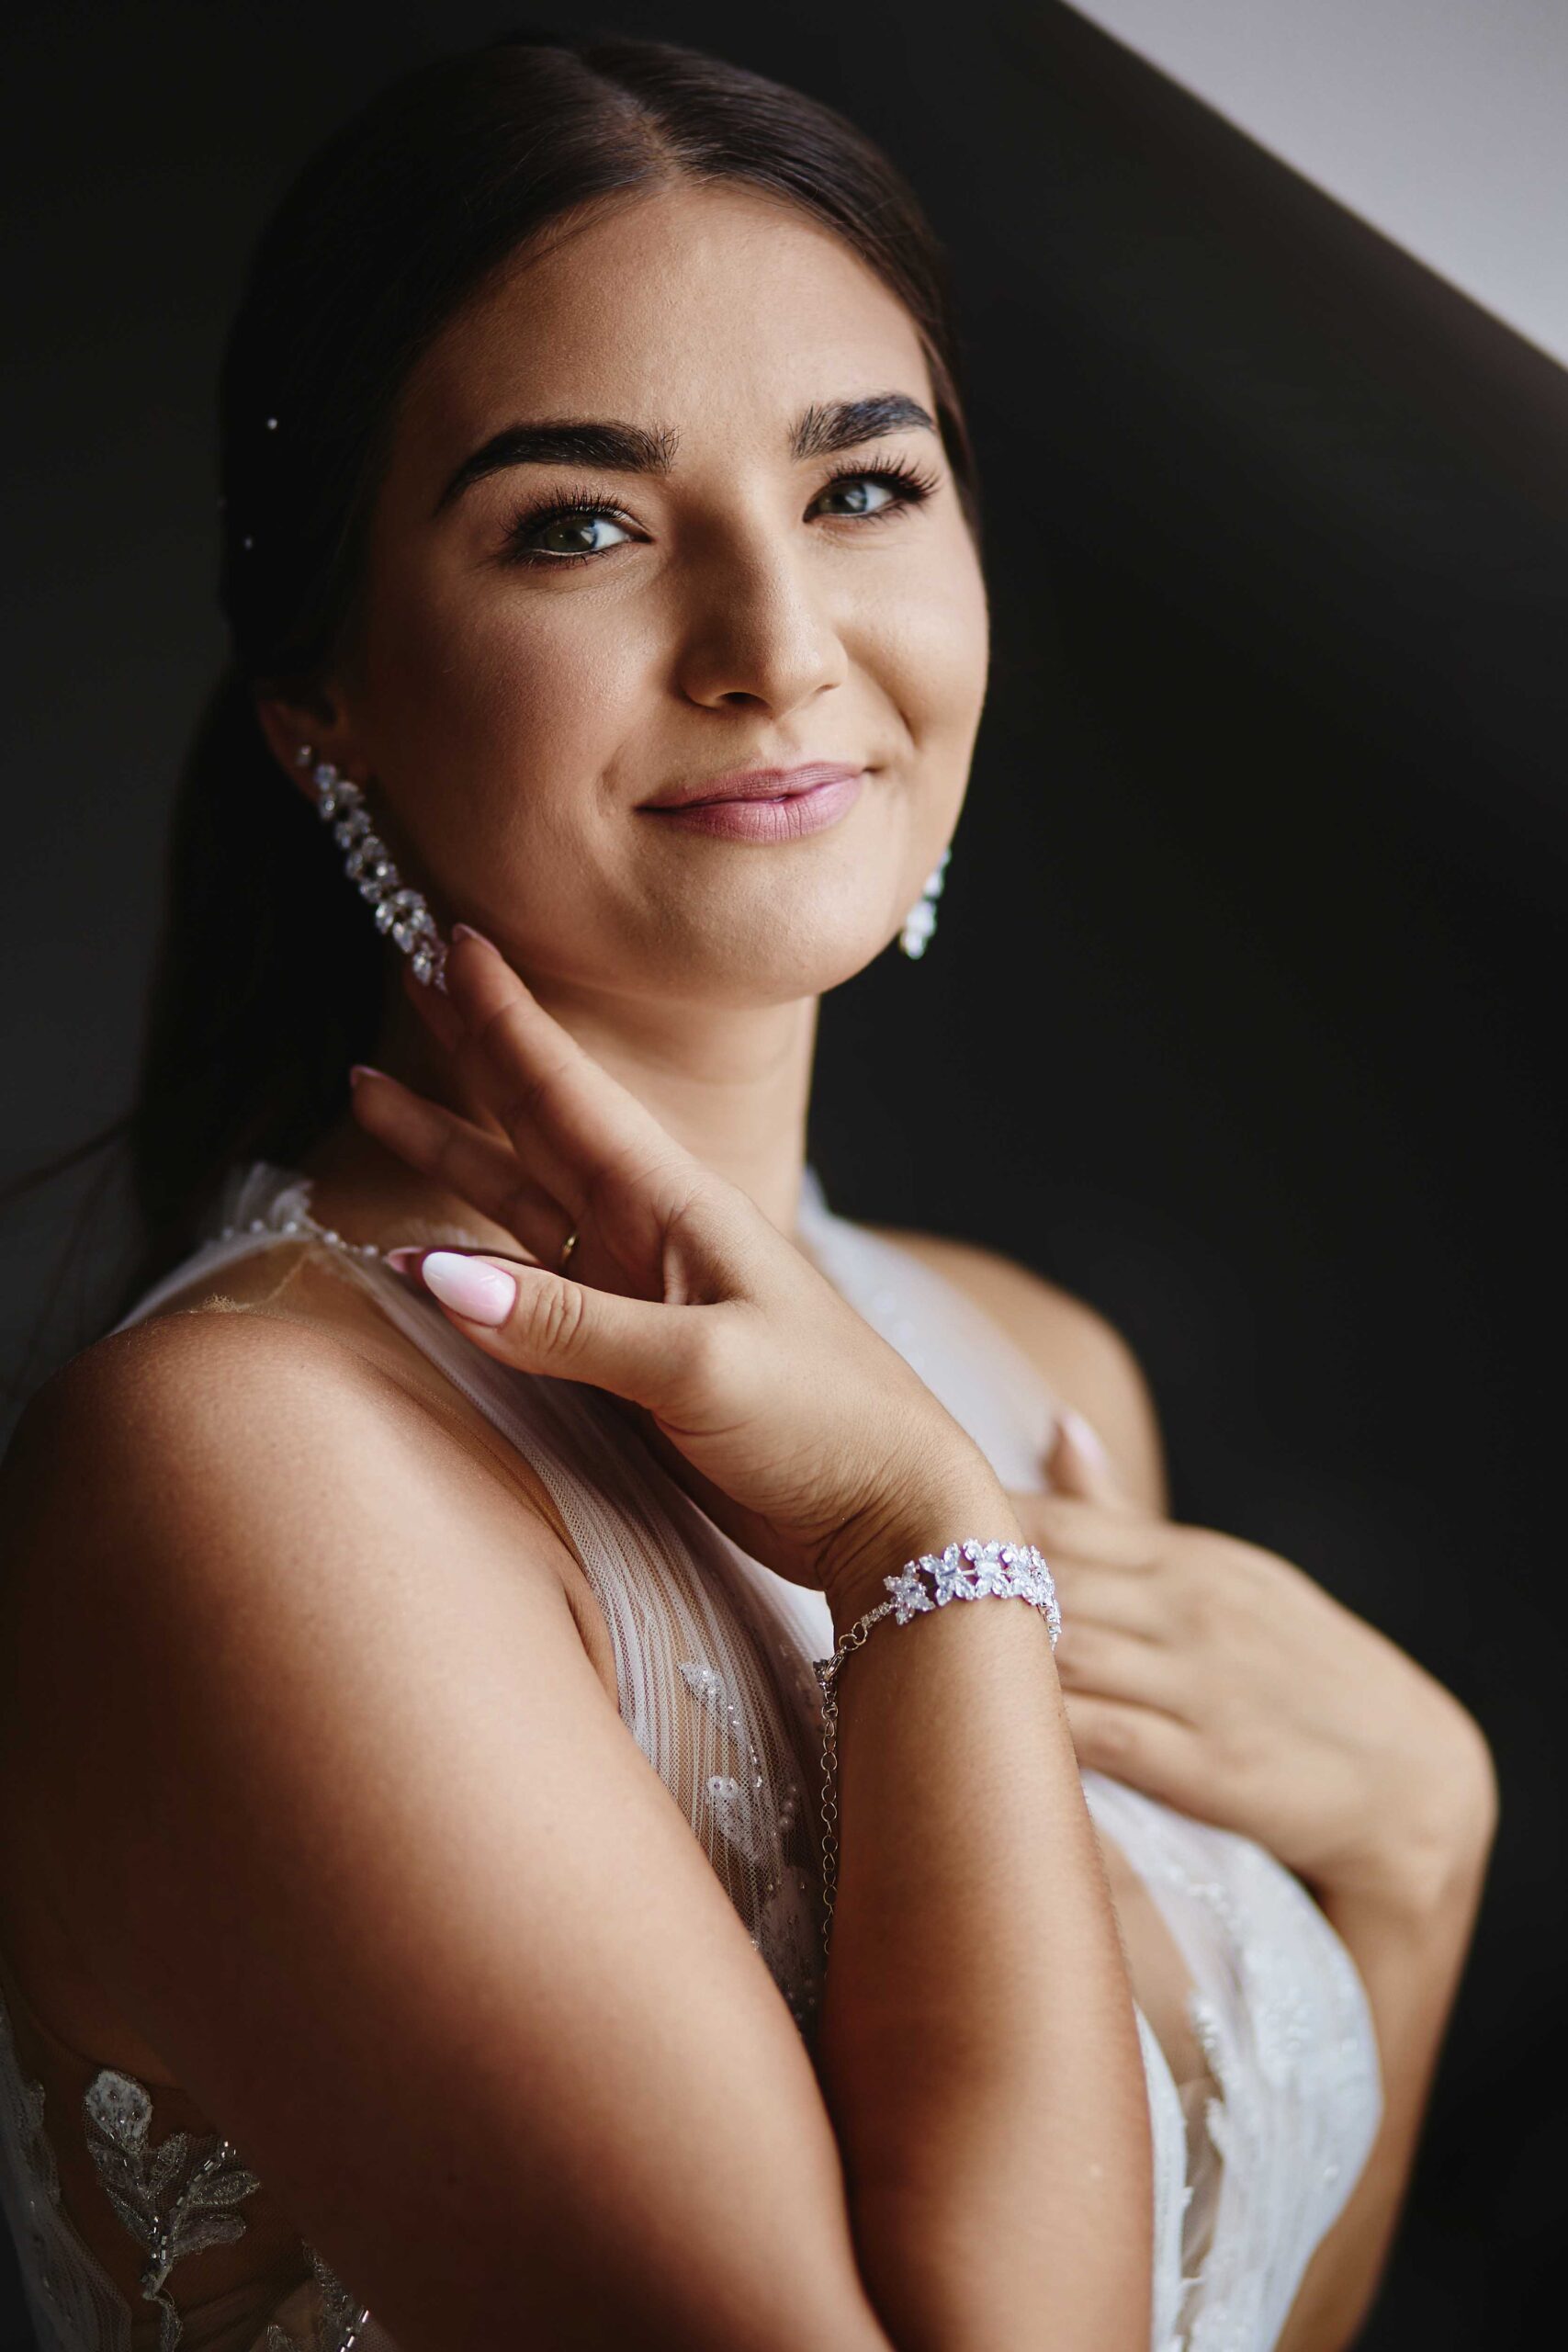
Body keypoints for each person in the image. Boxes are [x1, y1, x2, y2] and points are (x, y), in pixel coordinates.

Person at [0, 31, 1496, 2352]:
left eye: (862, 486)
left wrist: (1416, 1860)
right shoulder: (252, 1472)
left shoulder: (1035, 1362)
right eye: (578, 524)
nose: (778, 645)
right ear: (326, 699)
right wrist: (916, 1544)